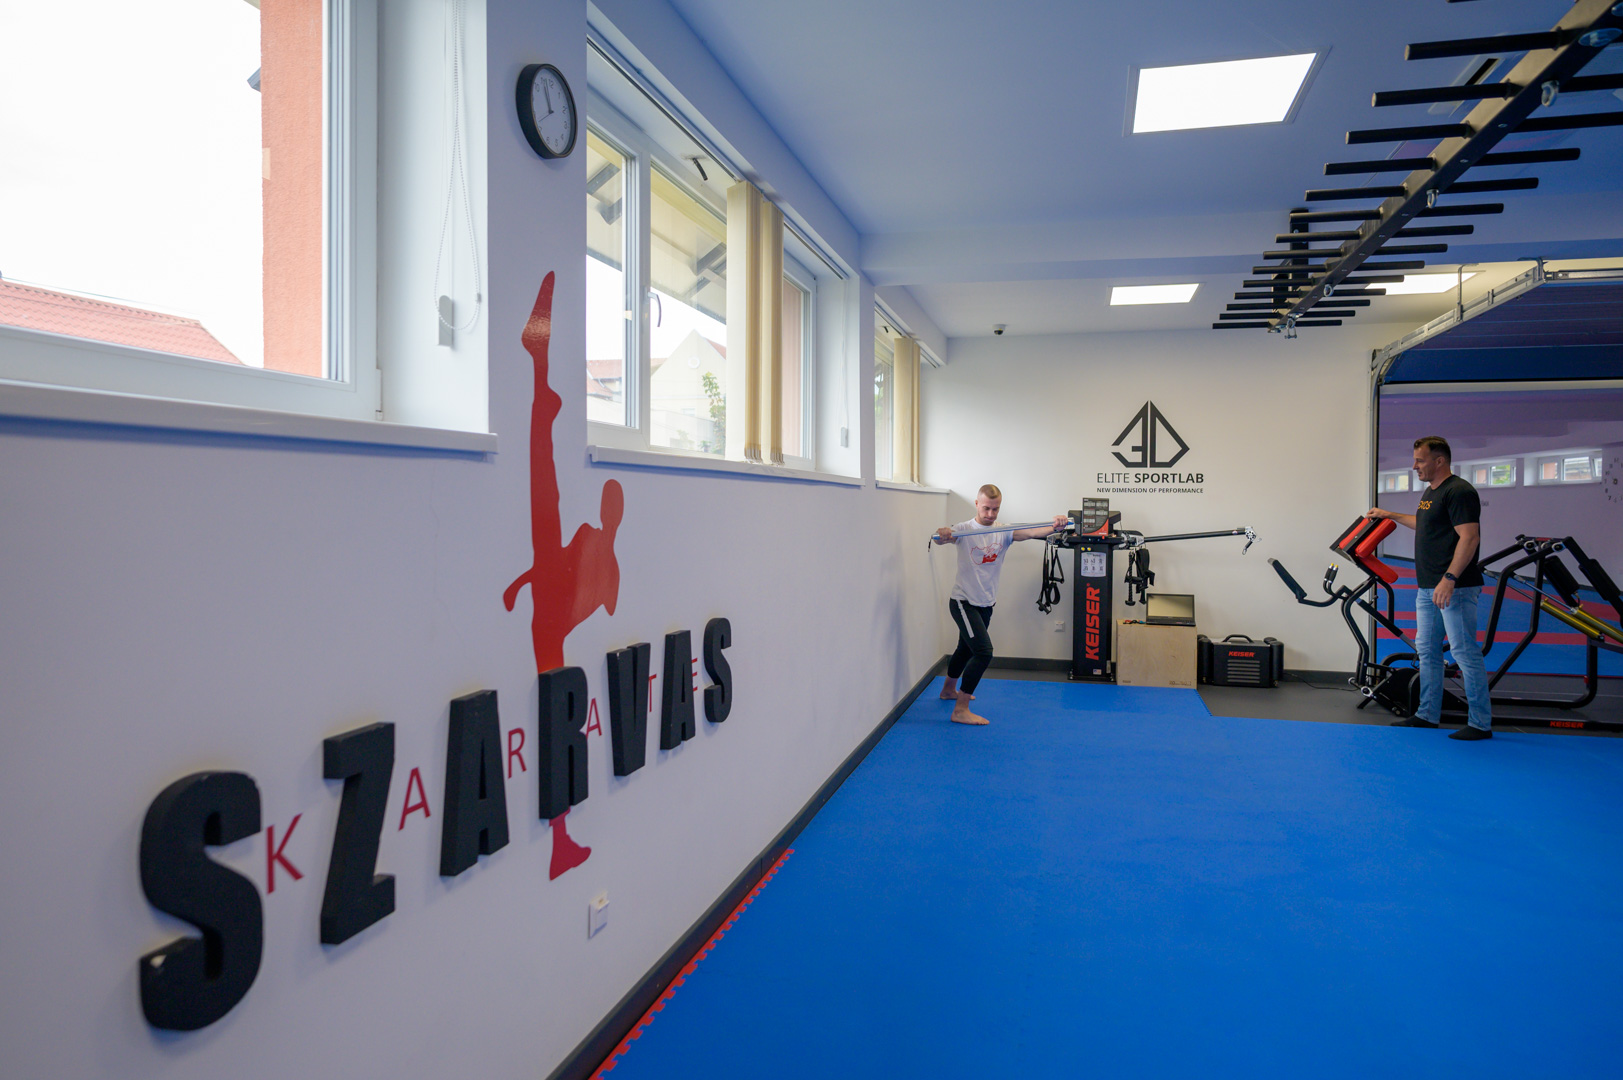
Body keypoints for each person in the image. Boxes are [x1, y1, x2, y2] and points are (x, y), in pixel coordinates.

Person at [1369, 435, 1493, 740]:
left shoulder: (1459, 491)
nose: (1414, 466)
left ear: (1439, 461)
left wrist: (1449, 579)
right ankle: (1427, 714)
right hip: (1428, 587)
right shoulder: (1431, 492)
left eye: (1420, 460)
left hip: (1454, 587)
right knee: (1426, 650)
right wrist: (1390, 515)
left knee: (1464, 652)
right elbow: (1425, 523)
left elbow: (1470, 537)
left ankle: (1480, 723)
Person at [933, 485, 1068, 726]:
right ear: (977, 504)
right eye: (986, 508)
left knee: (965, 649)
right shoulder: (964, 530)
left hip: (986, 603)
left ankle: (948, 690)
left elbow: (1033, 532)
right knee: (983, 652)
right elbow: (944, 536)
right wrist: (942, 533)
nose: (990, 514)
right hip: (963, 602)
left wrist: (1056, 526)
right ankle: (960, 710)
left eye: (995, 509)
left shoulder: (1004, 531)